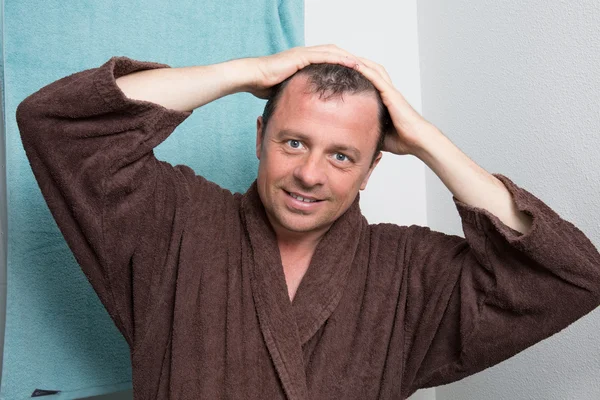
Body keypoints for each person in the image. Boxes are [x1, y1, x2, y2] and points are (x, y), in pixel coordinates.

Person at [16, 45, 600, 399]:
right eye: (293, 142)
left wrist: (425, 139)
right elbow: (59, 126)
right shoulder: (176, 222)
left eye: (342, 155)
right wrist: (246, 72)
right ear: (260, 138)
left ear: (372, 168)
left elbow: (568, 278)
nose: (310, 175)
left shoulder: (408, 272)